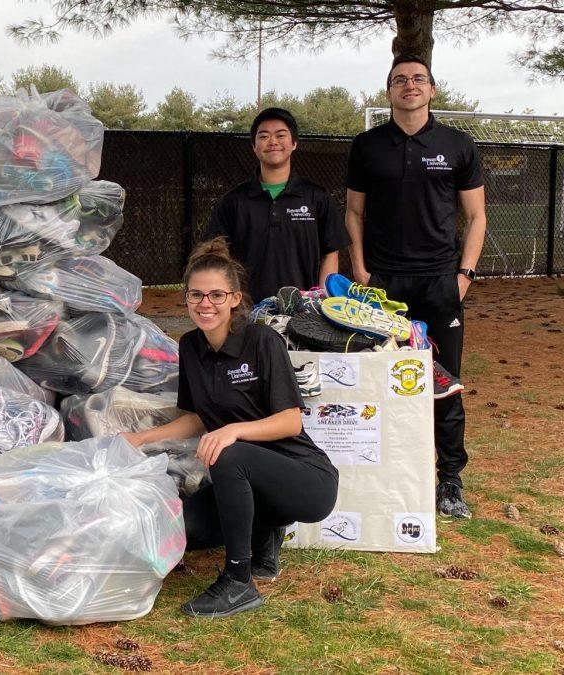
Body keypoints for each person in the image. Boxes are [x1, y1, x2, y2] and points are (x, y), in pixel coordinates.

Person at [122, 238, 338, 618]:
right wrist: (140, 439)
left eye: (217, 295)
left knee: (227, 452)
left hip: (306, 479)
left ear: (236, 298)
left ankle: (239, 582)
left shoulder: (262, 341)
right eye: (196, 295)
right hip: (246, 474)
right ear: (186, 299)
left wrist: (233, 431)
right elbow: (198, 417)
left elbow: (290, 421)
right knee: (189, 530)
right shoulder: (189, 346)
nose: (206, 304)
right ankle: (265, 530)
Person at [345, 55, 486, 519]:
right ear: (388, 92)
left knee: (444, 383)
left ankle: (450, 480)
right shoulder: (367, 146)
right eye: (400, 80)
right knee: (378, 377)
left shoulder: (458, 144)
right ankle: (383, 470)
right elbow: (353, 213)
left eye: (418, 79)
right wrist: (362, 272)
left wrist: (463, 276)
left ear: (431, 90)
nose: (410, 85)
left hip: (440, 282)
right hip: (384, 285)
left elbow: (477, 217)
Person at [205, 107, 349, 301]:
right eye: (263, 136)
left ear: (294, 143)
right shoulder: (232, 201)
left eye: (281, 135)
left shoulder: (317, 197)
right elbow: (216, 256)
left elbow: (330, 254)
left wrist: (322, 303)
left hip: (302, 314)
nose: (273, 142)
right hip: (246, 312)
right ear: (254, 146)